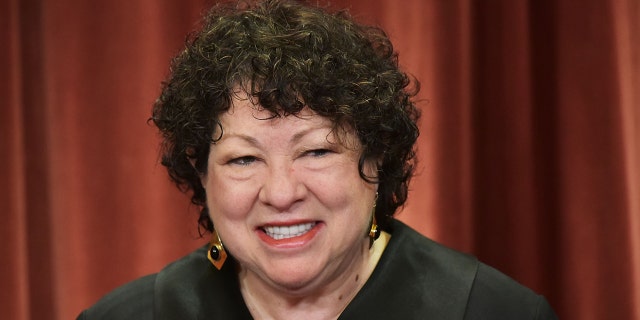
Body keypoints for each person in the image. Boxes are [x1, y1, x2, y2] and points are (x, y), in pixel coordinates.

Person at [78, 0, 558, 319]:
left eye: (317, 151)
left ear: (376, 159)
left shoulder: (495, 312)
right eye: (243, 159)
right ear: (201, 174)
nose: (282, 192)